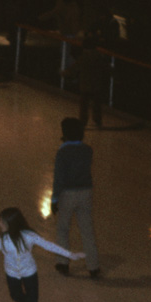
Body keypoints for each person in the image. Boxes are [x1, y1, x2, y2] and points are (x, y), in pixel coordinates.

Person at [51, 117, 102, 278]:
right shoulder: (88, 150)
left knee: (63, 228)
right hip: (86, 192)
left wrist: (54, 199)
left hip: (68, 193)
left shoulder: (62, 152)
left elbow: (59, 177)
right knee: (87, 229)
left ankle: (63, 262)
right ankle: (93, 266)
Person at [62, 30, 109, 129]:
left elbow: (75, 68)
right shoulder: (98, 56)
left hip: (85, 84)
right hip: (96, 85)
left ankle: (83, 121)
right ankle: (97, 120)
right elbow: (105, 68)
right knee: (96, 105)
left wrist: (64, 73)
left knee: (84, 105)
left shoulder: (83, 57)